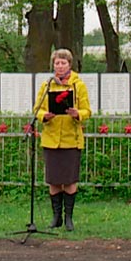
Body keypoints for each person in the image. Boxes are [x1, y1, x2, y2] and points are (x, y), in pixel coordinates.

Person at [34, 49, 92, 231]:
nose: (60, 66)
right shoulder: (47, 86)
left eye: (63, 63)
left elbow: (87, 111)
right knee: (53, 180)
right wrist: (45, 116)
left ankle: (69, 218)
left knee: (69, 180)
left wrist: (77, 114)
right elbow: (37, 110)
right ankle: (56, 217)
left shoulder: (78, 85)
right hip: (51, 139)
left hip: (71, 140)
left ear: (69, 65)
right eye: (57, 63)